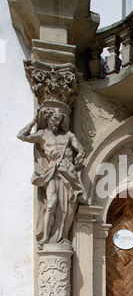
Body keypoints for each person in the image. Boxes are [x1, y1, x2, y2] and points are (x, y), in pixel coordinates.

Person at [17, 102, 86, 249]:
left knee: (68, 207)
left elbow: (80, 149)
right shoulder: (43, 135)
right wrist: (34, 121)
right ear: (48, 119)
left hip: (69, 172)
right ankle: (46, 237)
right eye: (54, 119)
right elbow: (21, 135)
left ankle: (63, 237)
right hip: (54, 171)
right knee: (51, 204)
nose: (56, 123)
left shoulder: (68, 135)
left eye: (59, 120)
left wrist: (80, 155)